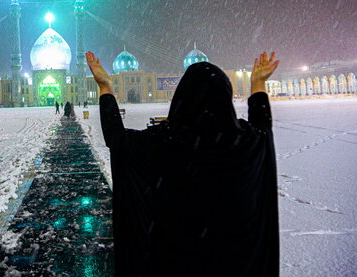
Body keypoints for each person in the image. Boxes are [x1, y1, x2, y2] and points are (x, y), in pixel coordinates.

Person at [86, 50, 280, 277]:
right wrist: (258, 84)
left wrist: (106, 87)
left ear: (182, 97)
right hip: (232, 264)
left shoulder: (163, 142)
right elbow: (263, 126)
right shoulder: (244, 142)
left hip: (175, 261)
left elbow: (116, 137)